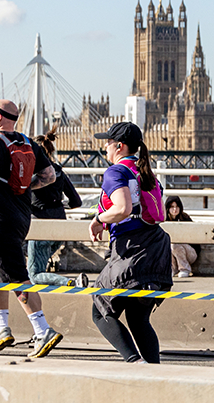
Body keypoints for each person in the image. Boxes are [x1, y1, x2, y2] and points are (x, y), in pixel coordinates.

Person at [0, 100, 63, 359]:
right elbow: (49, 176)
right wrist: (23, 188)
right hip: (18, 218)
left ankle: (42, 330)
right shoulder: (29, 144)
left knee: (16, 277)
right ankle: (2, 328)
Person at [89, 121, 174, 364]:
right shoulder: (145, 170)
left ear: (119, 146)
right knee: (139, 319)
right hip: (157, 248)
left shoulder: (116, 172)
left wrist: (98, 219)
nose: (104, 147)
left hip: (132, 250)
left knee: (100, 310)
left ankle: (134, 363)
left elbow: (123, 209)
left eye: (106, 142)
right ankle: (154, 372)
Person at [26, 131, 85, 287]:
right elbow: (76, 201)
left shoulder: (34, 174)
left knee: (34, 274)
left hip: (40, 227)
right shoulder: (58, 171)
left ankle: (71, 282)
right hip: (60, 227)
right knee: (37, 264)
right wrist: (59, 205)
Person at [166, 195, 200, 278]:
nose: (175, 209)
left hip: (190, 252)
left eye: (177, 206)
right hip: (173, 252)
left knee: (175, 244)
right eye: (172, 207)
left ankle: (185, 269)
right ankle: (172, 269)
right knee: (168, 244)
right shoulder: (165, 220)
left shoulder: (185, 218)